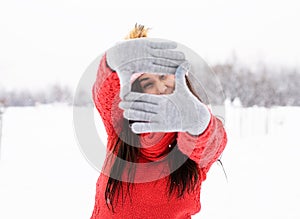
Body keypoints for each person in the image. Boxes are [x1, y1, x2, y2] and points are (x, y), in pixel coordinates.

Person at [91, 24, 227, 219]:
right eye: (148, 83)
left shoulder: (191, 142)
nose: (161, 87)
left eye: (164, 77)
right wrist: (112, 61)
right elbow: (104, 94)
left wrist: (200, 123)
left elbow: (214, 143)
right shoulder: (120, 131)